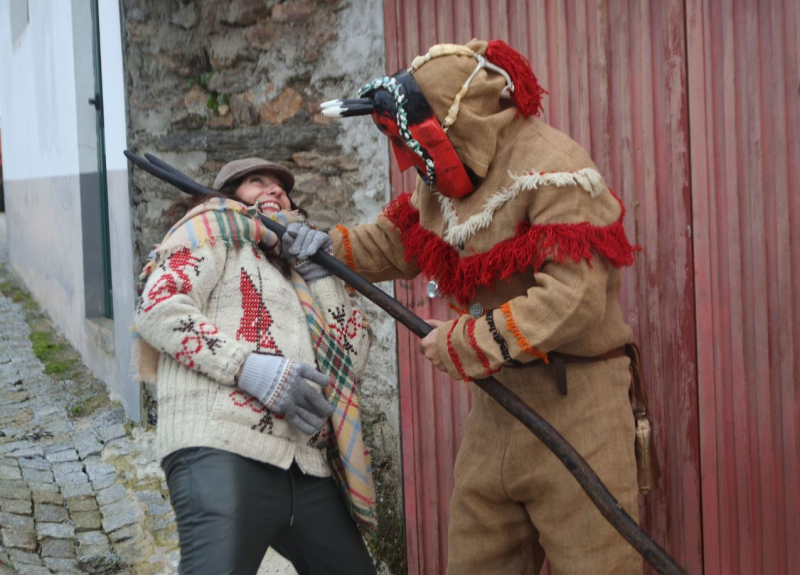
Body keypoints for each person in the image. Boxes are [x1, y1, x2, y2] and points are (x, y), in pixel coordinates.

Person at [288, 40, 644, 574]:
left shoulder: (554, 169)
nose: (408, 159)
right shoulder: (447, 181)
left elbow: (575, 298)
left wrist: (466, 340)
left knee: (599, 565)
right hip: (496, 409)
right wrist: (323, 248)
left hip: (580, 406)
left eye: (412, 139)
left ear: (460, 124)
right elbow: (398, 242)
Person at [132, 158, 377, 575]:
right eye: (255, 182)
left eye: (281, 187)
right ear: (227, 197)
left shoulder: (302, 271)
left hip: (305, 463)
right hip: (221, 445)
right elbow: (158, 309)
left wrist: (319, 273)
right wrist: (248, 369)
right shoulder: (212, 231)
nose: (274, 189)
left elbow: (351, 358)